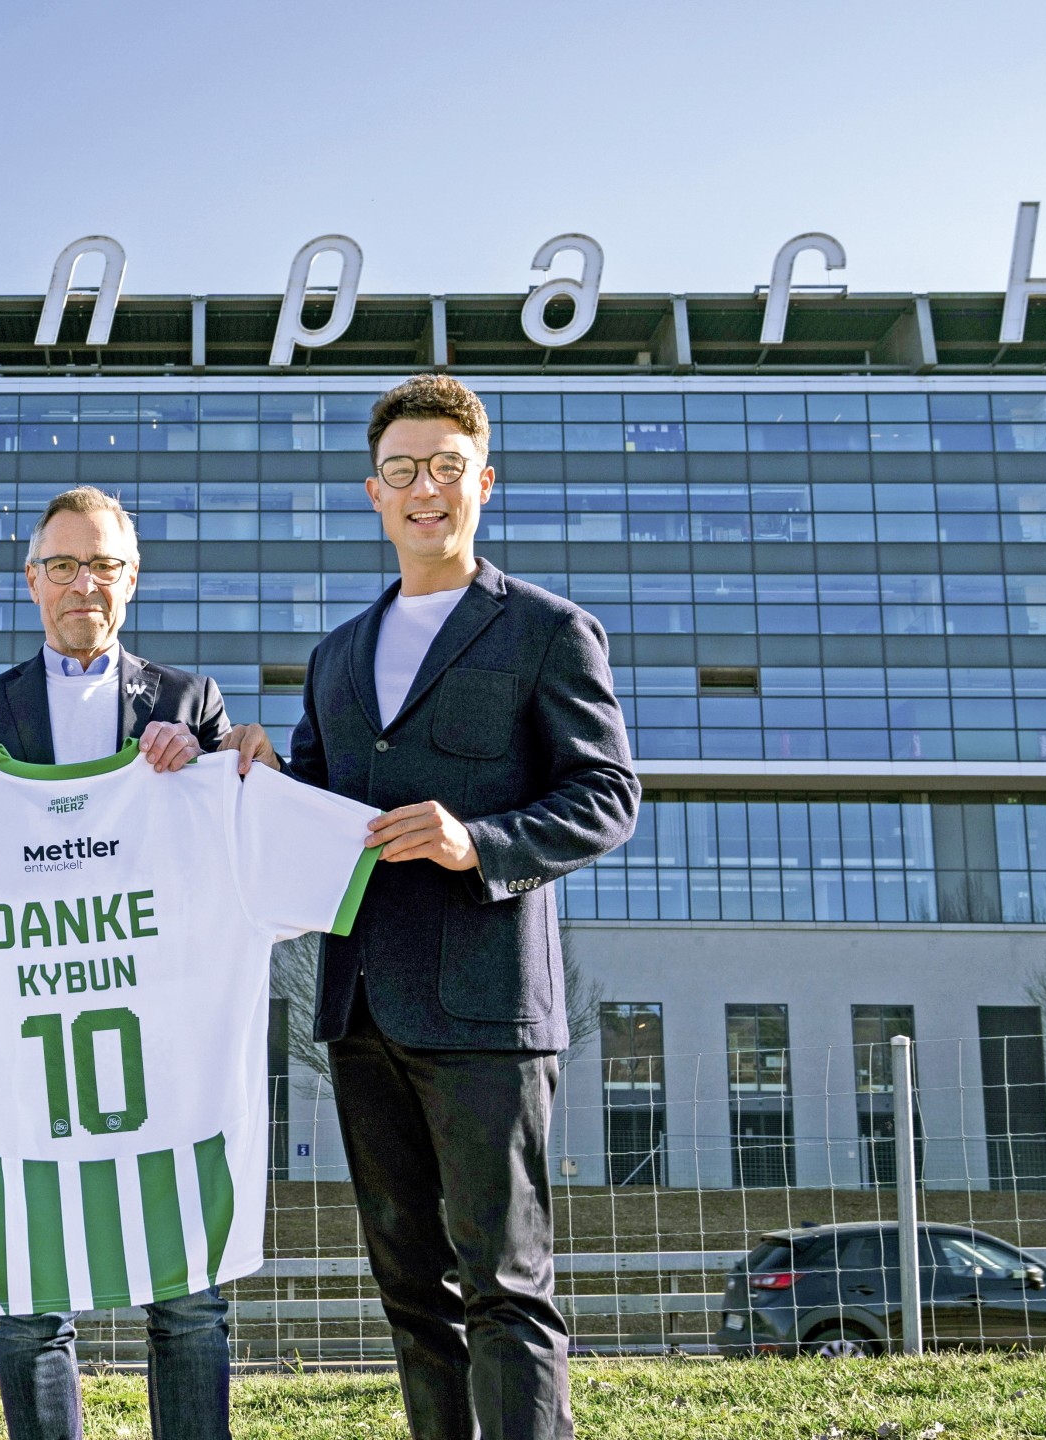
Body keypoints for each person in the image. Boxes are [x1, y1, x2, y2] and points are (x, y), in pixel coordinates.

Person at [289, 375, 639, 1440]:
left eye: (446, 467)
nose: (424, 489)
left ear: (482, 482)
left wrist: (476, 843)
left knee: (506, 1288)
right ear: (374, 491)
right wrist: (250, 773)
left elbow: (606, 797)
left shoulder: (545, 630)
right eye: (403, 470)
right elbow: (310, 808)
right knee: (411, 1298)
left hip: (487, 1011)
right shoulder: (336, 655)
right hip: (359, 1013)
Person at [0, 484, 279, 1440]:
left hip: (162, 1039)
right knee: (32, 1299)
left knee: (188, 1293)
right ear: (32, 579)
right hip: (36, 1032)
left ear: (132, 579)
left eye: (104, 566)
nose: (84, 583)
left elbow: (237, 819)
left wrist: (225, 752)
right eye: (63, 565)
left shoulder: (186, 699)